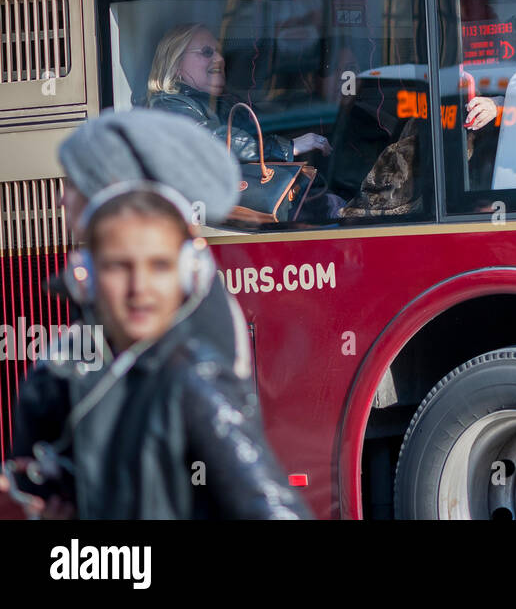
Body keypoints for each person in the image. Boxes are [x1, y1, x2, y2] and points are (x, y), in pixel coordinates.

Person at [0, 110, 311, 519]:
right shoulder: (78, 354)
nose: (138, 288)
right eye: (117, 267)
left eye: (73, 183)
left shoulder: (190, 367)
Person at [146, 23, 330, 163]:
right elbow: (208, 141)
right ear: (176, 64)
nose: (219, 59)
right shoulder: (168, 104)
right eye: (207, 52)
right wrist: (288, 147)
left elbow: (270, 122)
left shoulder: (225, 102)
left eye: (219, 51)